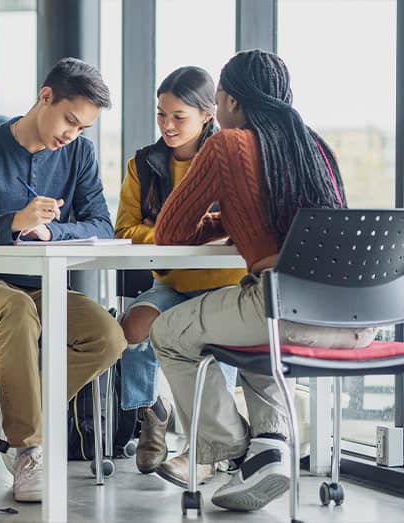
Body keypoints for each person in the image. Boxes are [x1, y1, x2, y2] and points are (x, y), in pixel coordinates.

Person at [148, 49, 375, 511]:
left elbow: (169, 231)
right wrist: (228, 219)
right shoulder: (314, 146)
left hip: (284, 309)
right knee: (252, 326)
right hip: (359, 320)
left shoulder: (227, 144)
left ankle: (228, 444)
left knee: (167, 332)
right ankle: (269, 446)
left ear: (229, 101)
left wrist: (214, 220)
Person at [0, 57, 127, 503]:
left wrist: (52, 231)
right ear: (46, 96)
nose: (72, 134)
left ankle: (14, 413)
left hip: (42, 286)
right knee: (17, 310)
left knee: (107, 335)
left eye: (82, 127)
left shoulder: (78, 154)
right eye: (69, 120)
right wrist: (13, 222)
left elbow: (102, 224)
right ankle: (27, 447)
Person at [114, 66, 246, 484]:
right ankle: (151, 409)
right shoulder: (144, 165)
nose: (167, 126)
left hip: (226, 285)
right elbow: (124, 230)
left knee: (211, 344)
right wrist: (178, 237)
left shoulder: (227, 159)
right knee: (130, 330)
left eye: (179, 116)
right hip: (172, 282)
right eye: (161, 114)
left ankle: (203, 450)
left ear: (208, 114)